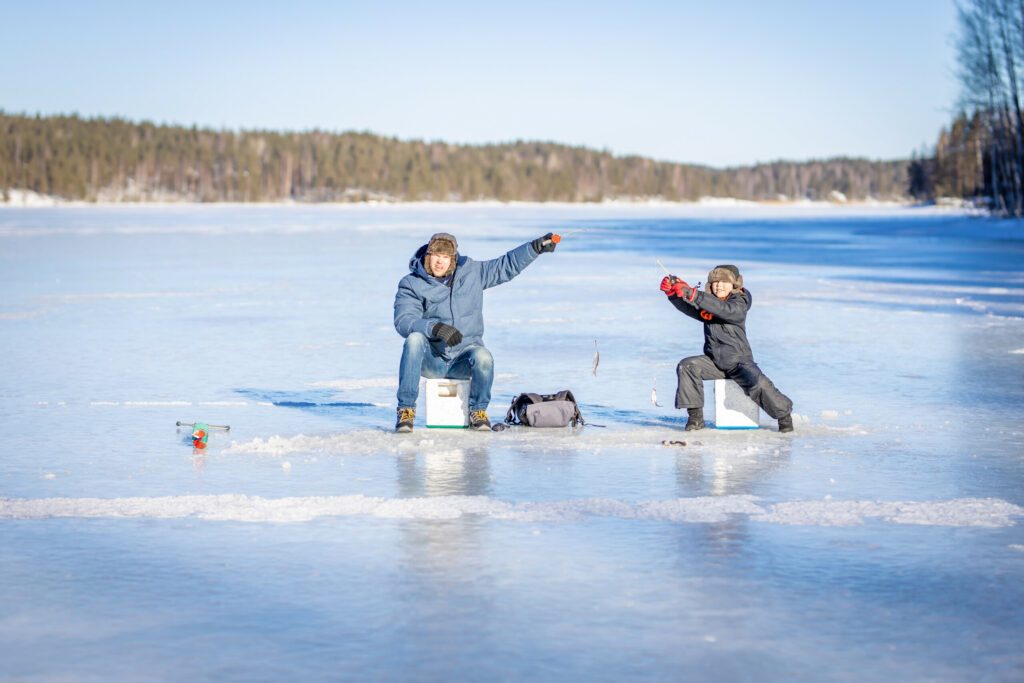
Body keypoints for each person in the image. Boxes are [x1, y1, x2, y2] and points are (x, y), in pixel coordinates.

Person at [393, 231, 557, 432]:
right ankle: (406, 410)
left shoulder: (472, 273)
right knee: (414, 339)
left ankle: (478, 411)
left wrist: (534, 248)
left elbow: (506, 265)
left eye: (445, 257)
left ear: (453, 259)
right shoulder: (412, 284)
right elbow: (403, 320)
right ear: (428, 256)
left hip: (463, 359)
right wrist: (434, 328)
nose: (440, 262)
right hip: (433, 360)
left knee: (484, 357)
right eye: (436, 255)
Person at [660, 264, 794, 432]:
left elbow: (728, 310)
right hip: (714, 362)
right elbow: (692, 309)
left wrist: (693, 293)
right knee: (687, 366)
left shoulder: (740, 301)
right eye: (715, 282)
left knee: (759, 385)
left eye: (724, 281)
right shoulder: (709, 304)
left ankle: (784, 417)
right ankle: (695, 419)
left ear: (735, 285)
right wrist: (674, 295)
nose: (719, 285)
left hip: (739, 362)